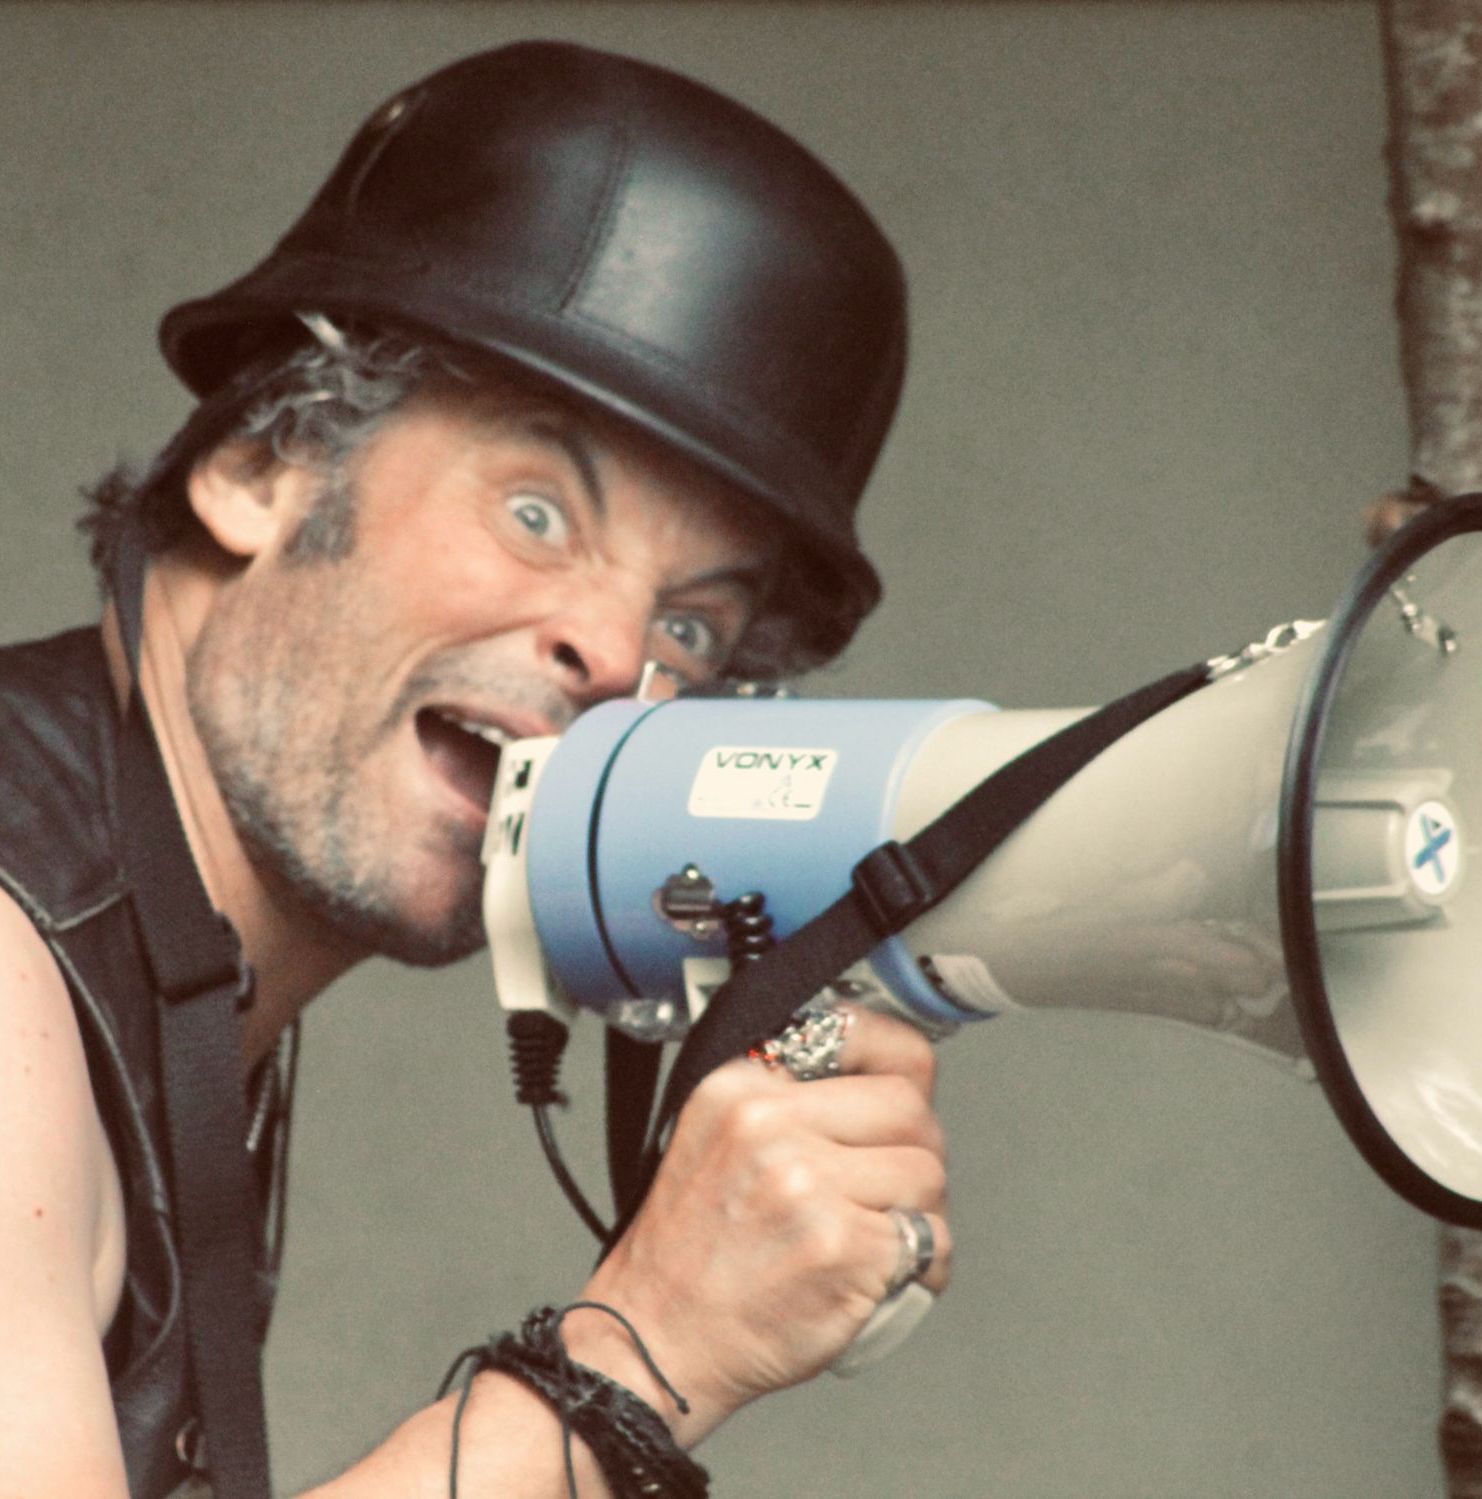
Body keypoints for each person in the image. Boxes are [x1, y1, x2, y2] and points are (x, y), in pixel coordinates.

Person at [0, 40, 950, 1498]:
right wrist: (639, 1359)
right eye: (535, 511)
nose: (615, 652)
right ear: (264, 460)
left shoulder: (152, 945)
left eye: (691, 622)